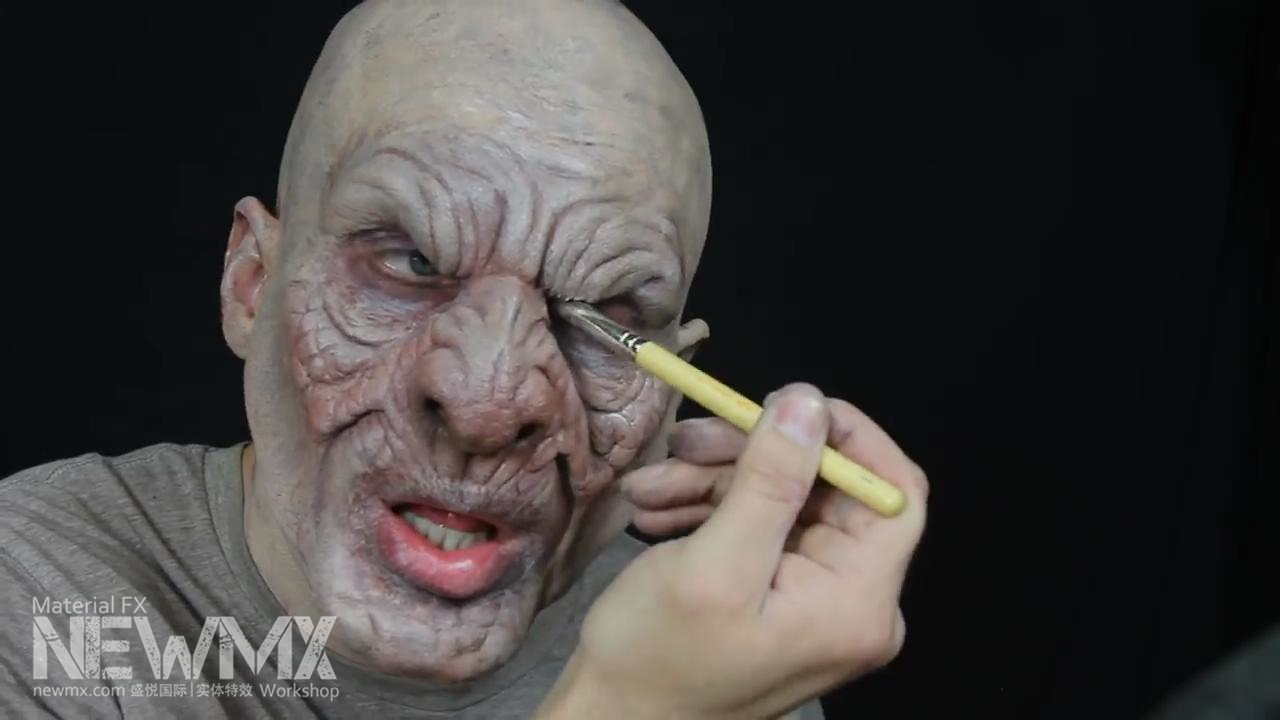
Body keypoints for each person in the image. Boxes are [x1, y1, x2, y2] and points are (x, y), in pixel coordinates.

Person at [0, 1, 928, 717]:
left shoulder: (724, 654)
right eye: (409, 263)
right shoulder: (38, 592)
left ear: (669, 396)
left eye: (606, 317)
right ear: (252, 283)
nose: (490, 404)